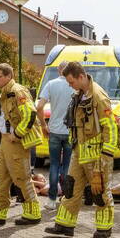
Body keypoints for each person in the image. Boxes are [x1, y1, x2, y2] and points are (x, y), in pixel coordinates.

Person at [45, 61, 120, 238]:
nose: (70, 86)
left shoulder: (98, 97)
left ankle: (104, 227)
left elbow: (110, 129)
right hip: (79, 151)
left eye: (71, 82)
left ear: (81, 77)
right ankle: (64, 225)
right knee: (70, 187)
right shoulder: (79, 94)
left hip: (97, 155)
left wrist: (103, 161)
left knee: (100, 191)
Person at [0, 64, 43, 226]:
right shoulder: (5, 93)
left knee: (22, 178)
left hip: (17, 143)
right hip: (5, 142)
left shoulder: (18, 91)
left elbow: (30, 113)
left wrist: (17, 134)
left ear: (8, 76)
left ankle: (33, 213)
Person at [36, 61, 74, 209]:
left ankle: (51, 200)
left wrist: (43, 125)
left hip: (54, 131)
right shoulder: (74, 86)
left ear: (59, 71)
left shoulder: (51, 84)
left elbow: (39, 106)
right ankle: (66, 197)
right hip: (70, 132)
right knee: (67, 166)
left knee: (54, 165)